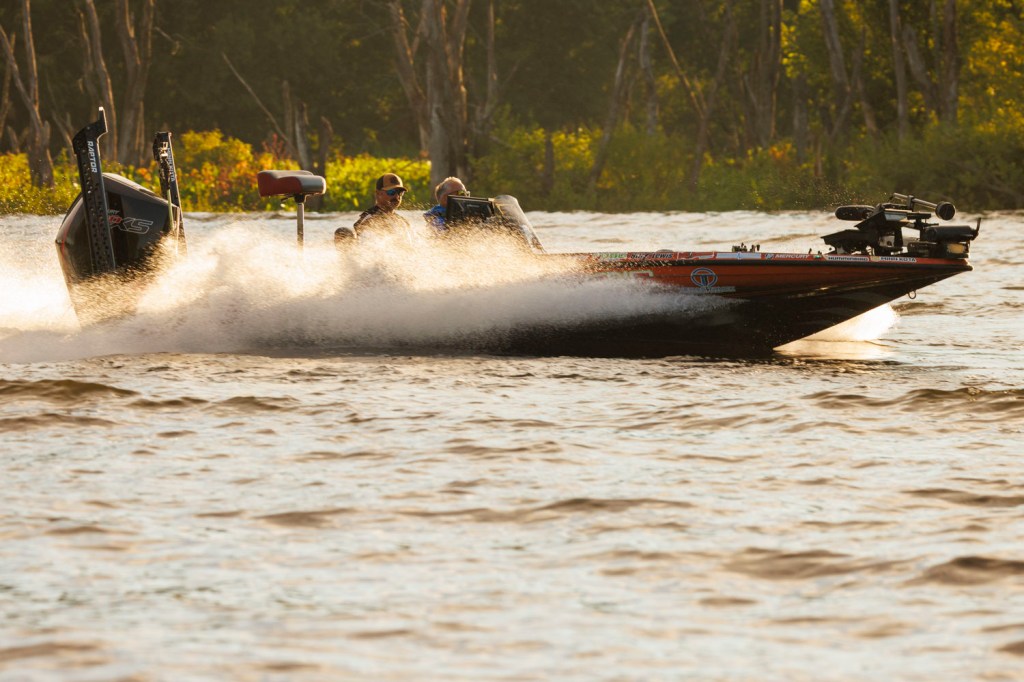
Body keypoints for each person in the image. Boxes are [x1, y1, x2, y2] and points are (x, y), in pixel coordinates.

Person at [336, 172, 411, 246]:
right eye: (391, 192)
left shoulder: (403, 222)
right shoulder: (369, 220)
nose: (397, 196)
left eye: (400, 193)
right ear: (378, 193)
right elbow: (362, 247)